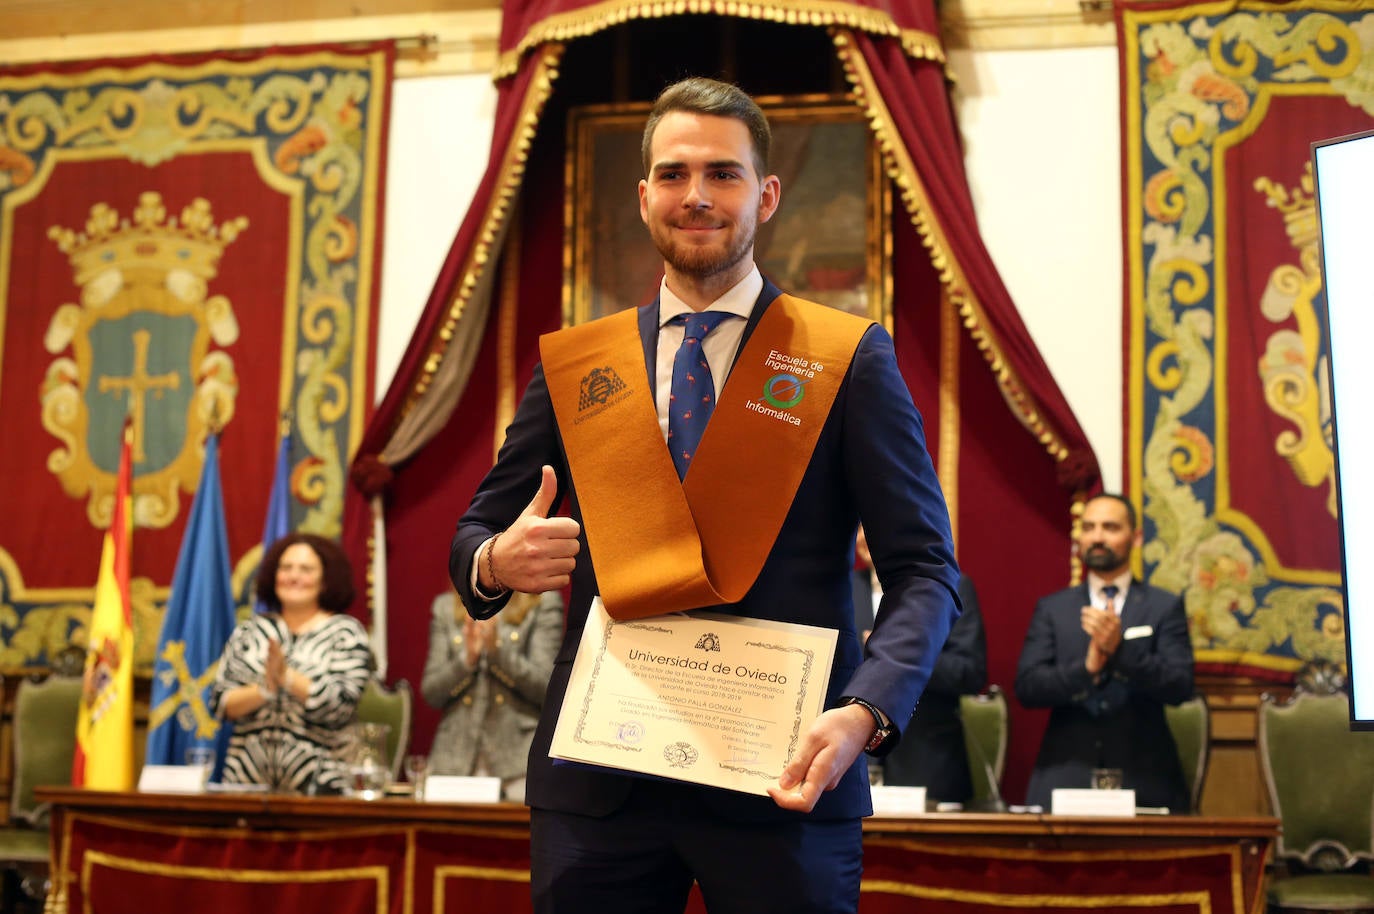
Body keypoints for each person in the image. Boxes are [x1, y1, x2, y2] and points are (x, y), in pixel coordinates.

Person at [450, 77, 960, 914]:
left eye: (722, 174)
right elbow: (474, 533)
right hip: (600, 783)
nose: (697, 196)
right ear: (645, 194)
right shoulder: (581, 364)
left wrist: (866, 711)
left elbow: (926, 571)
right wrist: (496, 559)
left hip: (785, 776)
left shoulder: (847, 358)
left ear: (765, 193)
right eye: (675, 174)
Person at [1014, 493, 1194, 812]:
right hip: (1066, 773)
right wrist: (1086, 670)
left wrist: (1121, 651)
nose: (1097, 537)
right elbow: (1028, 688)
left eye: (1110, 527)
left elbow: (1180, 686)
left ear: (1135, 537)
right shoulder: (1054, 608)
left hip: (1146, 778)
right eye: (1089, 528)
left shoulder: (1163, 606)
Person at [211, 532, 372, 793]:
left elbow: (339, 706)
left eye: (306, 569)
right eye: (286, 568)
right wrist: (265, 689)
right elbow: (221, 703)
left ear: (326, 580)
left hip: (321, 789)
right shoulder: (251, 631)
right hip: (245, 784)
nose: (293, 576)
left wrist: (287, 677)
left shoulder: (345, 633)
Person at [421, 587, 562, 801]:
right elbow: (431, 693)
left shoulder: (542, 603)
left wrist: (498, 653)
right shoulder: (446, 607)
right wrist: (466, 660)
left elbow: (547, 688)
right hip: (453, 762)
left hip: (518, 762)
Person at [881, 573, 987, 805]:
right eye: (858, 532)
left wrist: (903, 655)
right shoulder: (841, 586)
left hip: (928, 766)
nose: (863, 537)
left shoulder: (951, 586)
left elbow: (969, 672)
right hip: (845, 765)